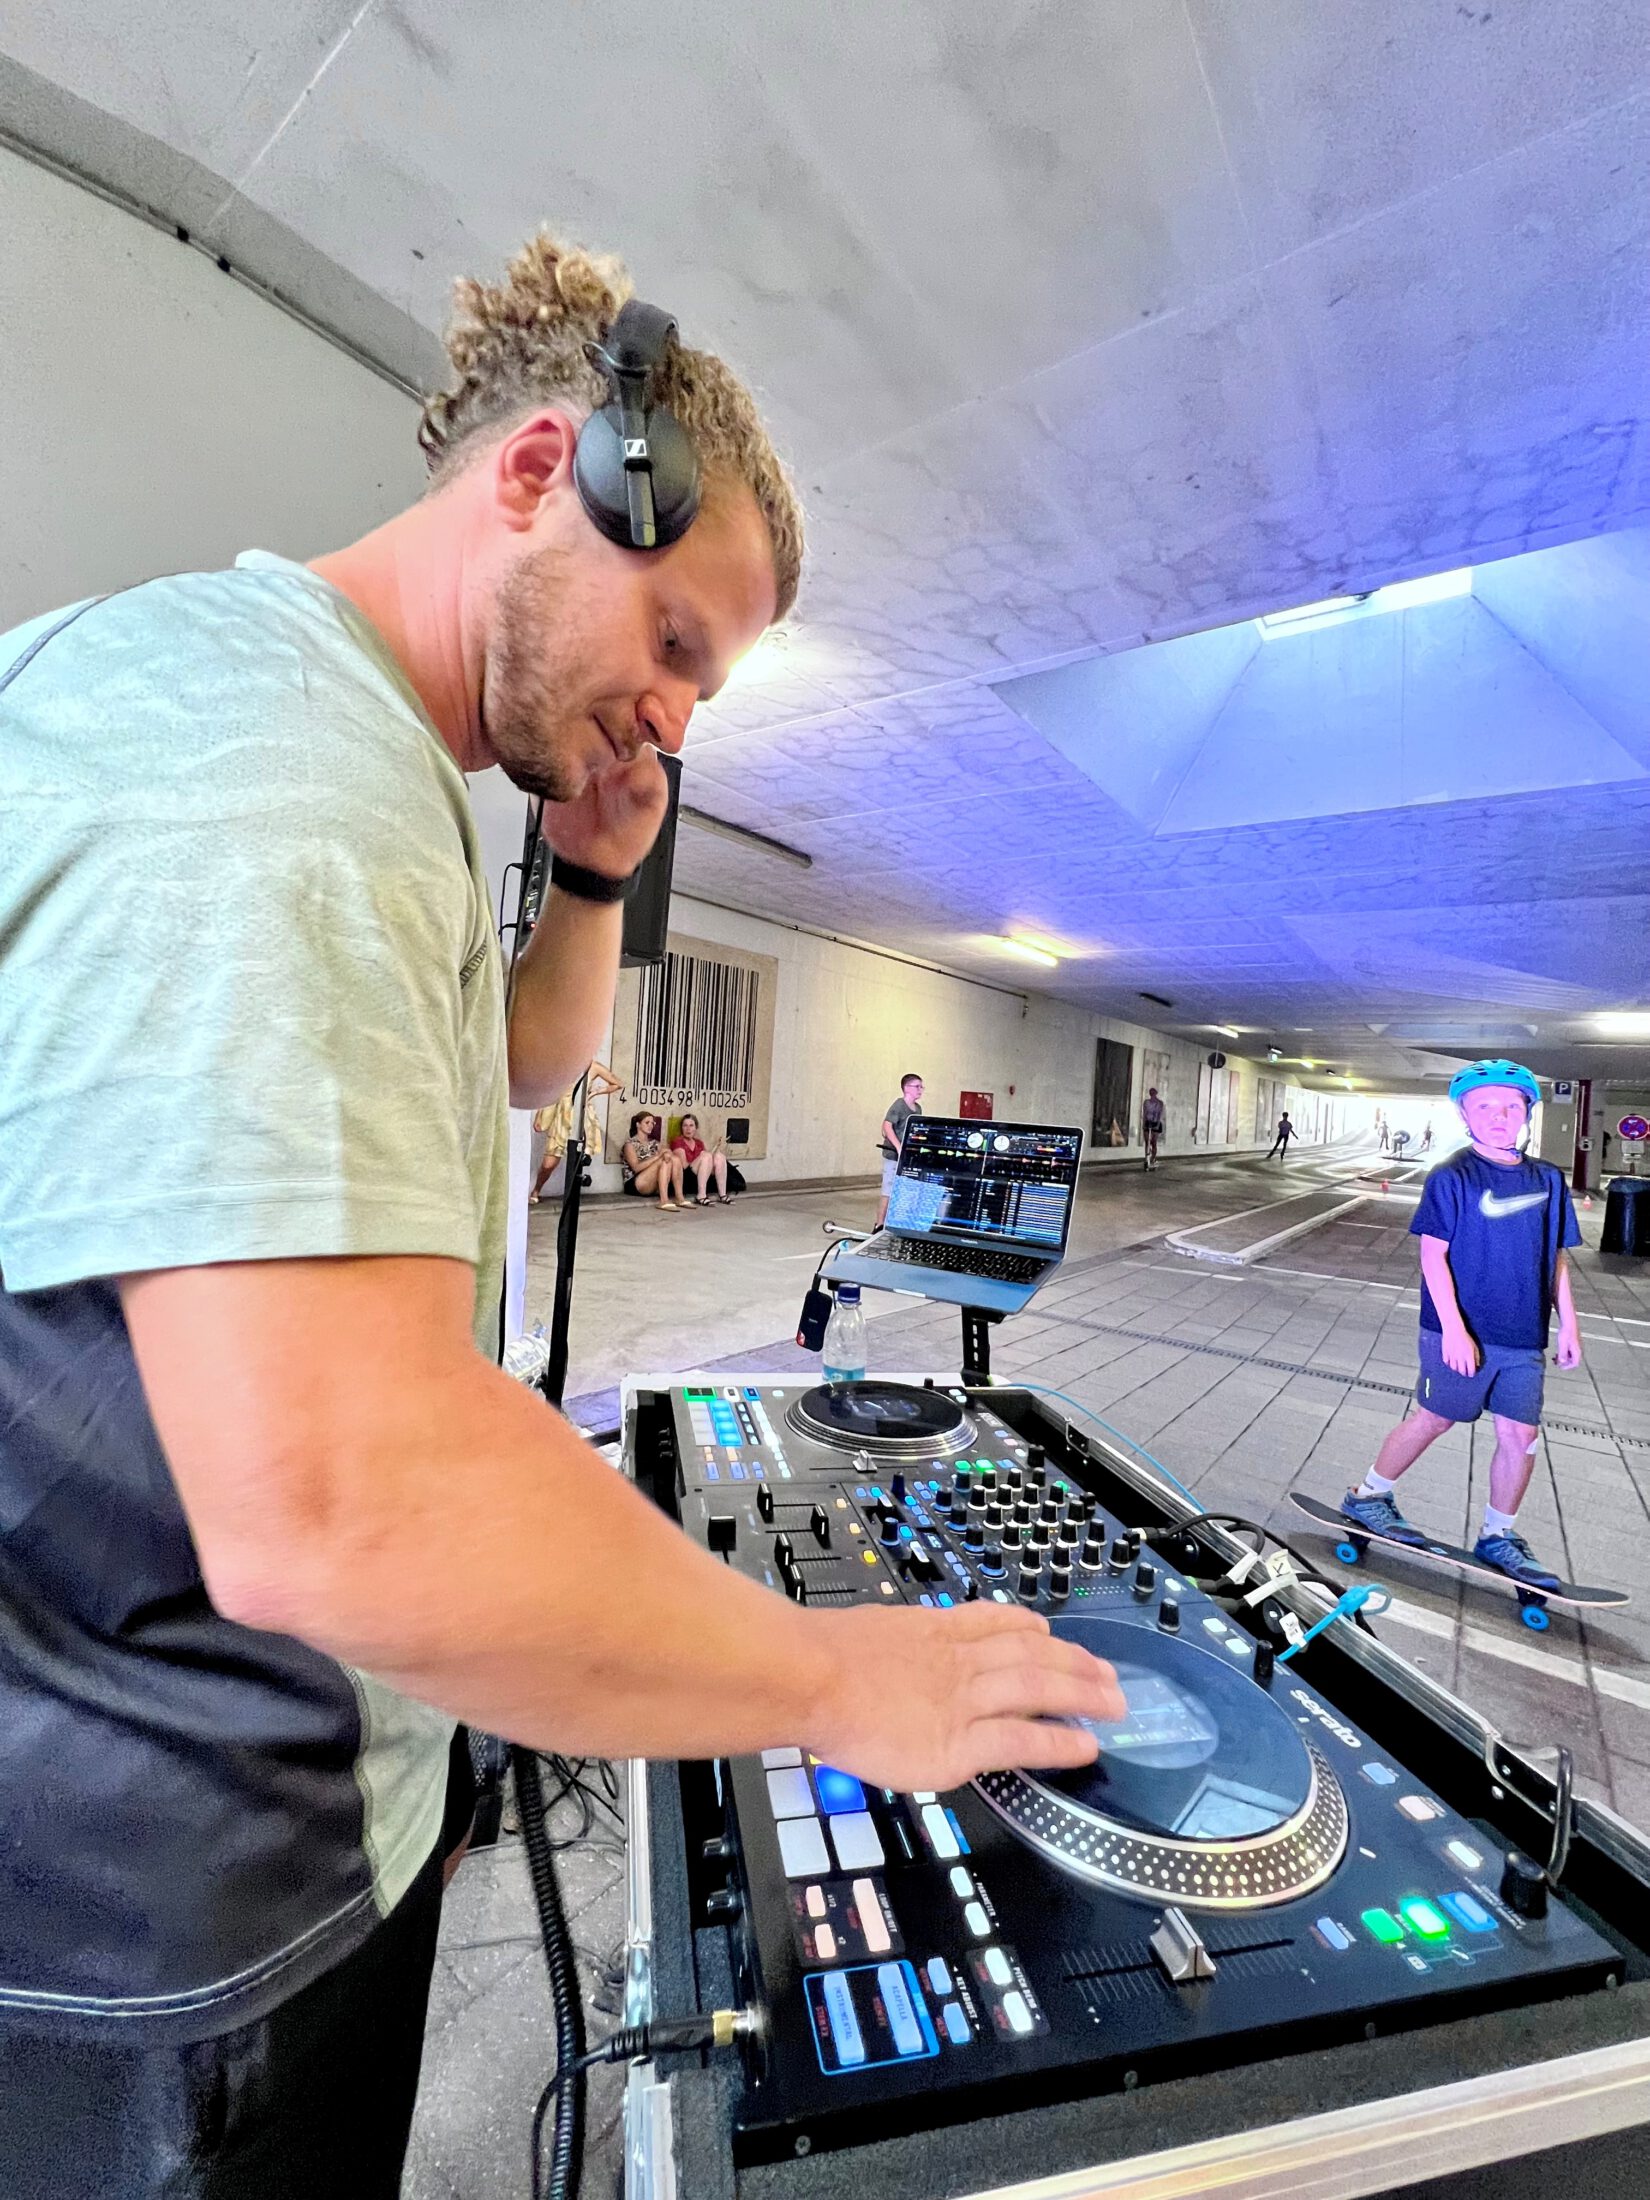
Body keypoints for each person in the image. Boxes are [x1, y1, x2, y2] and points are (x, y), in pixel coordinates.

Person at [0, 224, 1125, 2200]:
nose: (676, 719)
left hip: (263, 1794)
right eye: (674, 642)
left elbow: (504, 1068)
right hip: (171, 1906)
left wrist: (593, 876)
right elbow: (341, 1497)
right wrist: (839, 1676)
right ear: (546, 479)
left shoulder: (370, 758)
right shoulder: (281, 778)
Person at [1339, 1061, 1582, 1587]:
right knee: (1434, 1418)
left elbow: (1556, 1256)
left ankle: (1498, 1534)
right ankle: (1368, 1495)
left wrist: (1569, 1325)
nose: (1500, 1116)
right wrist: (1452, 1328)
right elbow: (1433, 1258)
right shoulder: (1452, 1176)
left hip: (1523, 1336)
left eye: (1512, 1107)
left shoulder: (1548, 1179)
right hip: (1458, 1331)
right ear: (1465, 1114)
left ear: (1527, 1114)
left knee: (1521, 1435)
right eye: (1486, 1107)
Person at [531, 1059, 622, 1200]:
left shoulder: (594, 1067)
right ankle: (537, 1190)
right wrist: (540, 1115)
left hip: (582, 1116)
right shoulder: (562, 1064)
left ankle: (571, 1198)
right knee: (548, 1164)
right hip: (562, 1115)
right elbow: (550, 1090)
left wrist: (596, 1092)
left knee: (578, 1157)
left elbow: (617, 1083)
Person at [875, 1071, 925, 1226]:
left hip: (907, 1157)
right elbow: (887, 1125)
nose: (920, 1089)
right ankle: (879, 1224)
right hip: (893, 1156)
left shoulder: (918, 1109)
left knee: (904, 1190)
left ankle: (897, 1222)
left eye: (921, 1086)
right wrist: (898, 1147)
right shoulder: (899, 1105)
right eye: (917, 1086)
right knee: (888, 1191)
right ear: (906, 1088)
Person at [622, 1108, 689, 1210]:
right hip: (636, 1183)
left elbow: (668, 1153)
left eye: (652, 1123)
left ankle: (679, 1198)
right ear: (638, 1124)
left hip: (653, 1182)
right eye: (647, 1122)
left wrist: (667, 1154)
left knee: (674, 1159)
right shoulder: (630, 1144)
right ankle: (664, 1201)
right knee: (662, 1161)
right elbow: (636, 1167)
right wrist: (658, 1156)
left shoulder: (655, 1143)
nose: (651, 1125)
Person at [672, 1112, 732, 1204]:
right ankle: (701, 1195)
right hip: (687, 1177)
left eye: (691, 1125)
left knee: (719, 1156)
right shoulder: (678, 1142)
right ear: (681, 1128)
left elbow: (706, 1162)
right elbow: (684, 1166)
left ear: (696, 1128)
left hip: (701, 1176)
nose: (688, 1129)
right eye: (685, 1126)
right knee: (706, 1155)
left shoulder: (699, 1143)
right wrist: (702, 1161)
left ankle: (723, 1195)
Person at [1141, 1086, 1165, 1171]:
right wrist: (1144, 1124)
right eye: (1151, 1093)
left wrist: (1157, 1124)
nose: (1152, 1095)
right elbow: (1144, 1114)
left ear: (1156, 1094)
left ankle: (1153, 1158)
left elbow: (1160, 1115)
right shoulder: (1146, 1102)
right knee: (1147, 1142)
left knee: (1153, 1142)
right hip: (1148, 1122)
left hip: (1156, 1123)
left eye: (1153, 1093)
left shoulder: (1160, 1103)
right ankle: (1147, 1158)